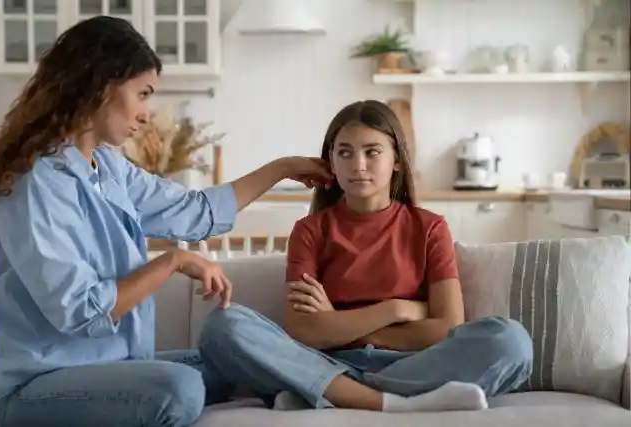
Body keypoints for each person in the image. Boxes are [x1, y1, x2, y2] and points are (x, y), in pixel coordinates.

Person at [0, 16, 333, 427]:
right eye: (143, 94)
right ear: (101, 84)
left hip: (112, 366)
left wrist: (282, 168)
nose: (145, 114)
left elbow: (195, 212)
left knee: (235, 361)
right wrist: (171, 262)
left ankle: (365, 388)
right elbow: (80, 310)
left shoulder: (109, 169)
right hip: (37, 382)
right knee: (179, 388)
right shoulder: (34, 179)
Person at [199, 100, 534, 412]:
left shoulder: (430, 228)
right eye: (344, 153)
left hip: (409, 364)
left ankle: (328, 393)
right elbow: (303, 331)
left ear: (397, 160)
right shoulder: (310, 230)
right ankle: (387, 401)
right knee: (224, 325)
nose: (357, 165)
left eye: (372, 152)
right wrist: (396, 309)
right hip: (325, 361)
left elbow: (445, 328)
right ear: (331, 162)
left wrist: (341, 326)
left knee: (511, 341)